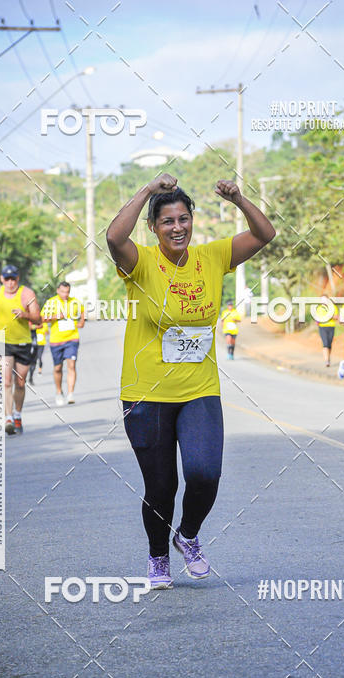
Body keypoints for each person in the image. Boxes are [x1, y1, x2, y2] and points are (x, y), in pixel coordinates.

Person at [106, 173, 275, 589]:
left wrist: (239, 199)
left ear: (192, 221)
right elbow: (113, 237)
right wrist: (148, 190)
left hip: (199, 389)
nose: (177, 227)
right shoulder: (141, 263)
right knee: (161, 486)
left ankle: (188, 534)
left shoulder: (213, 257)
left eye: (184, 219)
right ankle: (158, 557)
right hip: (145, 394)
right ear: (153, 227)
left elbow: (264, 234)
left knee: (204, 473)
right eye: (167, 221)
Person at [0, 264, 41, 434]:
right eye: (7, 279)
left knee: (20, 383)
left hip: (23, 342)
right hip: (3, 341)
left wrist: (25, 315)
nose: (10, 282)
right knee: (6, 381)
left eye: (13, 279)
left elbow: (38, 319)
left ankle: (17, 414)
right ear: (2, 279)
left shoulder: (27, 294)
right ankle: (8, 418)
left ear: (18, 278)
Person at [41, 281, 85, 405]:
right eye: (63, 292)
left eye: (67, 292)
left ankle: (70, 394)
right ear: (57, 291)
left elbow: (82, 311)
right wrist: (56, 316)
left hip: (72, 338)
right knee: (58, 368)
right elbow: (42, 318)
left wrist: (82, 321)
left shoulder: (74, 302)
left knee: (71, 365)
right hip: (56, 341)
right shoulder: (51, 302)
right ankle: (59, 392)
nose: (65, 294)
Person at [313, 293, 338, 366]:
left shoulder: (333, 307)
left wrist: (329, 316)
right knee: (325, 343)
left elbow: (336, 317)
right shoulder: (318, 308)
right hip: (322, 327)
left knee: (329, 344)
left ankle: (328, 358)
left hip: (331, 326)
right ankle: (326, 360)